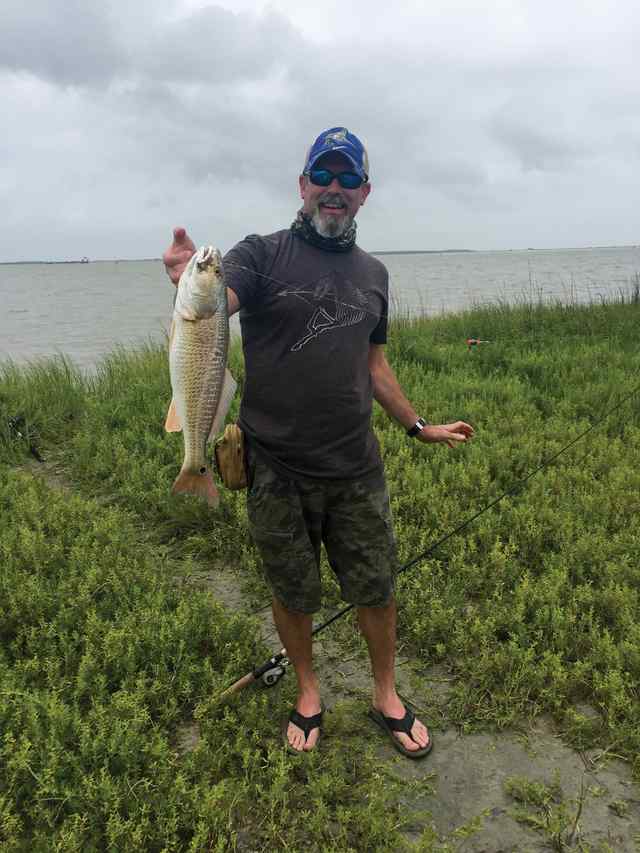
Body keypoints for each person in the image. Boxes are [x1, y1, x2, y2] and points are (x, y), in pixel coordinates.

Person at [163, 126, 474, 756]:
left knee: (376, 587)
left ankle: (385, 693)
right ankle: (309, 690)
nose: (334, 189)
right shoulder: (261, 254)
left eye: (347, 179)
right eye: (322, 177)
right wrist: (186, 282)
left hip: (355, 467)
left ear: (364, 193)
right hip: (274, 466)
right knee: (291, 589)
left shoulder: (374, 274)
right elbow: (214, 305)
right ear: (303, 185)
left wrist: (418, 426)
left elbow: (375, 367)